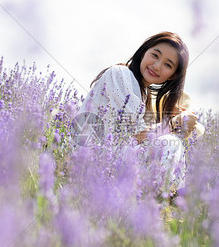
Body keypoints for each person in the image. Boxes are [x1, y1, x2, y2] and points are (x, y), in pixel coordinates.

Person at [75, 31, 203, 190]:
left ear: (172, 76)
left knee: (169, 145)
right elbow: (133, 135)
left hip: (108, 163)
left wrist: (180, 122)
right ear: (144, 52)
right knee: (171, 144)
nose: (157, 66)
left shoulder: (143, 94)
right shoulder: (120, 74)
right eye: (155, 55)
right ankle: (162, 200)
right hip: (90, 162)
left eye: (167, 65)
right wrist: (173, 125)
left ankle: (160, 199)